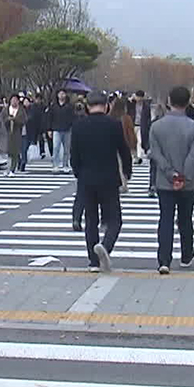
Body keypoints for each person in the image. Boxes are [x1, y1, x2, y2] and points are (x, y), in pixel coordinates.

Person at [149, 87, 194, 274]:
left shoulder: (157, 126)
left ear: (169, 100)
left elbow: (156, 154)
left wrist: (171, 174)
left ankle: (164, 259)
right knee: (185, 219)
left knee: (165, 218)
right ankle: (186, 254)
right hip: (189, 182)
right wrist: (183, 176)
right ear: (187, 103)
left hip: (164, 181)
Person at [71, 91, 133, 272]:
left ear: (88, 107)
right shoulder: (113, 125)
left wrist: (78, 173)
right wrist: (127, 173)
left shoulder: (79, 126)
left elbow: (74, 155)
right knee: (115, 219)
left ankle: (93, 262)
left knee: (91, 220)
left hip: (87, 178)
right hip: (109, 178)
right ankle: (105, 246)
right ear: (106, 106)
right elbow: (123, 150)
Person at [48, 89, 76, 173]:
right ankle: (55, 165)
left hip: (67, 129)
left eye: (63, 94)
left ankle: (65, 165)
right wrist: (49, 129)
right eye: (60, 94)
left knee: (67, 149)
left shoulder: (70, 106)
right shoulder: (53, 106)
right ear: (57, 95)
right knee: (56, 148)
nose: (61, 95)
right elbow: (50, 118)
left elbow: (73, 118)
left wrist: (72, 128)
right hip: (56, 129)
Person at [4, 93, 26, 176]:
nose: (14, 101)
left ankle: (12, 169)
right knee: (7, 152)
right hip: (7, 133)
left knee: (15, 153)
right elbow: (0, 120)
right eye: (12, 100)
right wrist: (7, 119)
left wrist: (15, 119)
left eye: (16, 100)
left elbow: (24, 120)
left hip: (17, 133)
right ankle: (8, 168)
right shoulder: (6, 110)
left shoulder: (21, 110)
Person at [21, 96, 39, 171]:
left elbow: (34, 120)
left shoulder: (32, 109)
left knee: (25, 148)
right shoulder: (20, 109)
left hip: (29, 131)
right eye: (24, 101)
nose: (26, 103)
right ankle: (21, 162)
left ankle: (23, 161)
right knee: (21, 149)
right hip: (20, 131)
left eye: (27, 101)